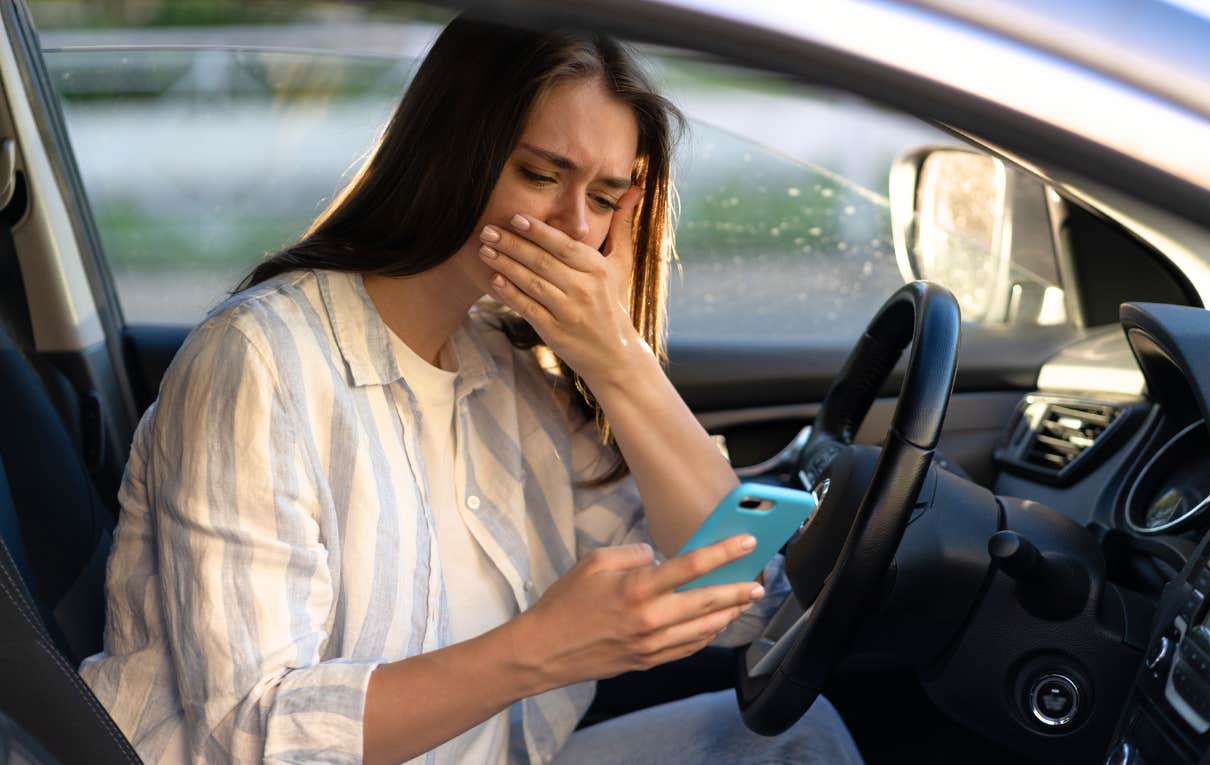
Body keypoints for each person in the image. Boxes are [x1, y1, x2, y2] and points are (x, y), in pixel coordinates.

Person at [79, 14, 863, 765]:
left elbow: (734, 596)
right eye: (539, 174)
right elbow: (253, 737)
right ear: (447, 152)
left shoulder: (504, 365)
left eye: (601, 198)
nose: (571, 229)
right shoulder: (259, 363)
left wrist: (619, 359)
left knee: (793, 738)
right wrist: (539, 650)